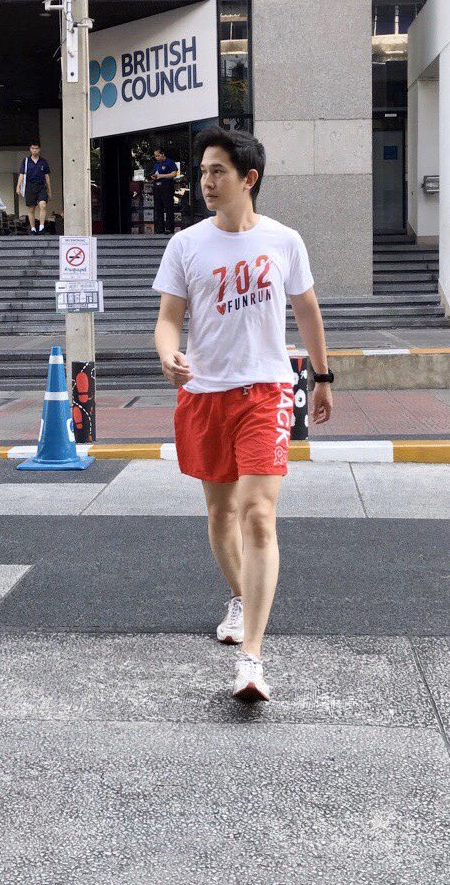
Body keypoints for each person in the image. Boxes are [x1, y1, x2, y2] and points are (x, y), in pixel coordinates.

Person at [152, 126, 334, 703]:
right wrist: (168, 355)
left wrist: (323, 376)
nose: (206, 182)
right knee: (221, 511)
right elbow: (168, 318)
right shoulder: (186, 244)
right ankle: (238, 595)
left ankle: (251, 660)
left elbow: (307, 310)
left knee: (257, 513)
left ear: (248, 178)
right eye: (203, 172)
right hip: (205, 393)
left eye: (218, 172)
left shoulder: (284, 241)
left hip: (266, 391)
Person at [16, 141, 52, 234]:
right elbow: (22, 174)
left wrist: (49, 190)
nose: (34, 150)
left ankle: (41, 227)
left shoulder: (43, 162)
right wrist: (18, 186)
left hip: (41, 186)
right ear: (30, 149)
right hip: (30, 186)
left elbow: (47, 176)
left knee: (43, 205)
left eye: (36, 148)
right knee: (31, 208)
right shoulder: (26, 161)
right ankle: (33, 228)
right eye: (33, 148)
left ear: (39, 149)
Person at [149, 146, 179, 234]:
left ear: (163, 154)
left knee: (168, 207)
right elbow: (154, 173)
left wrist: (161, 176)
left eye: (158, 155)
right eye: (155, 156)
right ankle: (160, 228)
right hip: (157, 187)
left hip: (167, 186)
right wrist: (153, 176)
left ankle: (169, 228)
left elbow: (174, 174)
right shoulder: (156, 164)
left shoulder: (170, 162)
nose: (157, 157)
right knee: (158, 208)